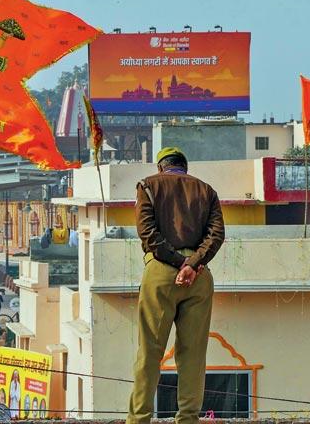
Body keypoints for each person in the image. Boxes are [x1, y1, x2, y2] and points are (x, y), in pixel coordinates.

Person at [127, 147, 225, 424]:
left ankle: (139, 418)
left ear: (161, 167)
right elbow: (216, 235)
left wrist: (177, 263)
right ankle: (188, 418)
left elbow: (148, 234)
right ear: (184, 167)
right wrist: (192, 264)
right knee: (193, 354)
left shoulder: (148, 186)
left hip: (161, 272)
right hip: (199, 276)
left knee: (150, 351)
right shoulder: (207, 191)